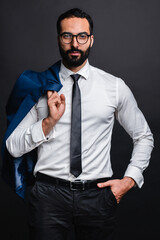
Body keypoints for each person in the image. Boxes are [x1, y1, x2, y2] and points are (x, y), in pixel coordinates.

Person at [5, 8, 154, 240]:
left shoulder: (114, 86)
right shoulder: (39, 86)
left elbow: (144, 136)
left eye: (82, 36)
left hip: (98, 197)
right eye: (67, 36)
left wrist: (129, 180)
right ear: (59, 39)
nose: (75, 43)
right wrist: (48, 123)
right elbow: (12, 146)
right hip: (48, 198)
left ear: (91, 39)